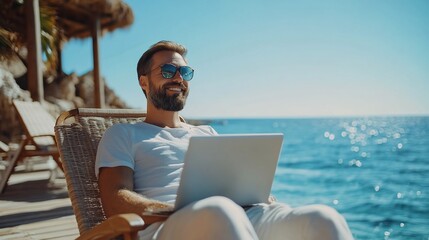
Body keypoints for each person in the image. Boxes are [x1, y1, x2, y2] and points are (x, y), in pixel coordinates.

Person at [95, 40, 354, 240]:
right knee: (220, 209)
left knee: (323, 218)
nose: (178, 78)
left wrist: (257, 194)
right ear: (144, 82)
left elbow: (234, 185)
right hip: (168, 226)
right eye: (168, 70)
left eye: (184, 71)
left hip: (237, 215)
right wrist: (172, 209)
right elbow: (115, 199)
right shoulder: (123, 134)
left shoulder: (206, 134)